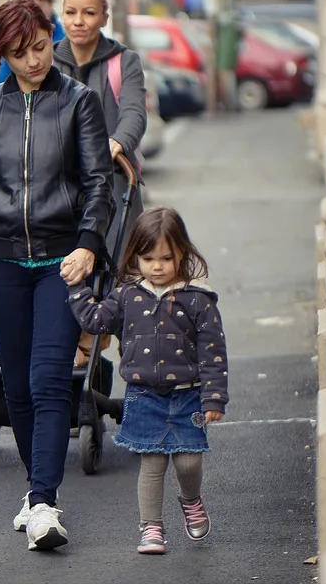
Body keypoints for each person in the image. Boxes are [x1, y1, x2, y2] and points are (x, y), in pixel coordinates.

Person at [0, 0, 114, 551]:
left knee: (47, 380)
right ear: (3, 55)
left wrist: (89, 244)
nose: (34, 61)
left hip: (61, 264)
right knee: (15, 383)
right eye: (19, 54)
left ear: (50, 37)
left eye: (40, 47)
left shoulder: (79, 102)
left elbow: (98, 185)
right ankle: (33, 491)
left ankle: (44, 501)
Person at [66, 207, 229, 555]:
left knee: (189, 461)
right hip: (143, 396)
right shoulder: (127, 295)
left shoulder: (197, 299)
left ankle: (190, 499)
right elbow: (96, 320)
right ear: (135, 257)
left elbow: (213, 351)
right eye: (148, 258)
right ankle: (151, 528)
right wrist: (77, 288)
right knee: (152, 463)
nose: (157, 266)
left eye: (167, 258)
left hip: (188, 397)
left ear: (182, 253)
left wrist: (214, 399)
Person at [53, 0, 148, 368]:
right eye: (71, 13)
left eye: (89, 13)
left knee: (117, 270)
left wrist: (118, 142)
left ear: (104, 16)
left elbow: (134, 113)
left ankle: (101, 341)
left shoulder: (123, 61)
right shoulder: (49, 59)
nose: (79, 21)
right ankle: (80, 346)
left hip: (112, 182)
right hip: (58, 183)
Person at [0, 0, 66, 84]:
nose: (34, 12)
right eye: (30, 6)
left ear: (51, 3)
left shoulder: (66, 41)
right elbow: (3, 85)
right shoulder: (12, 40)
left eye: (40, 47)